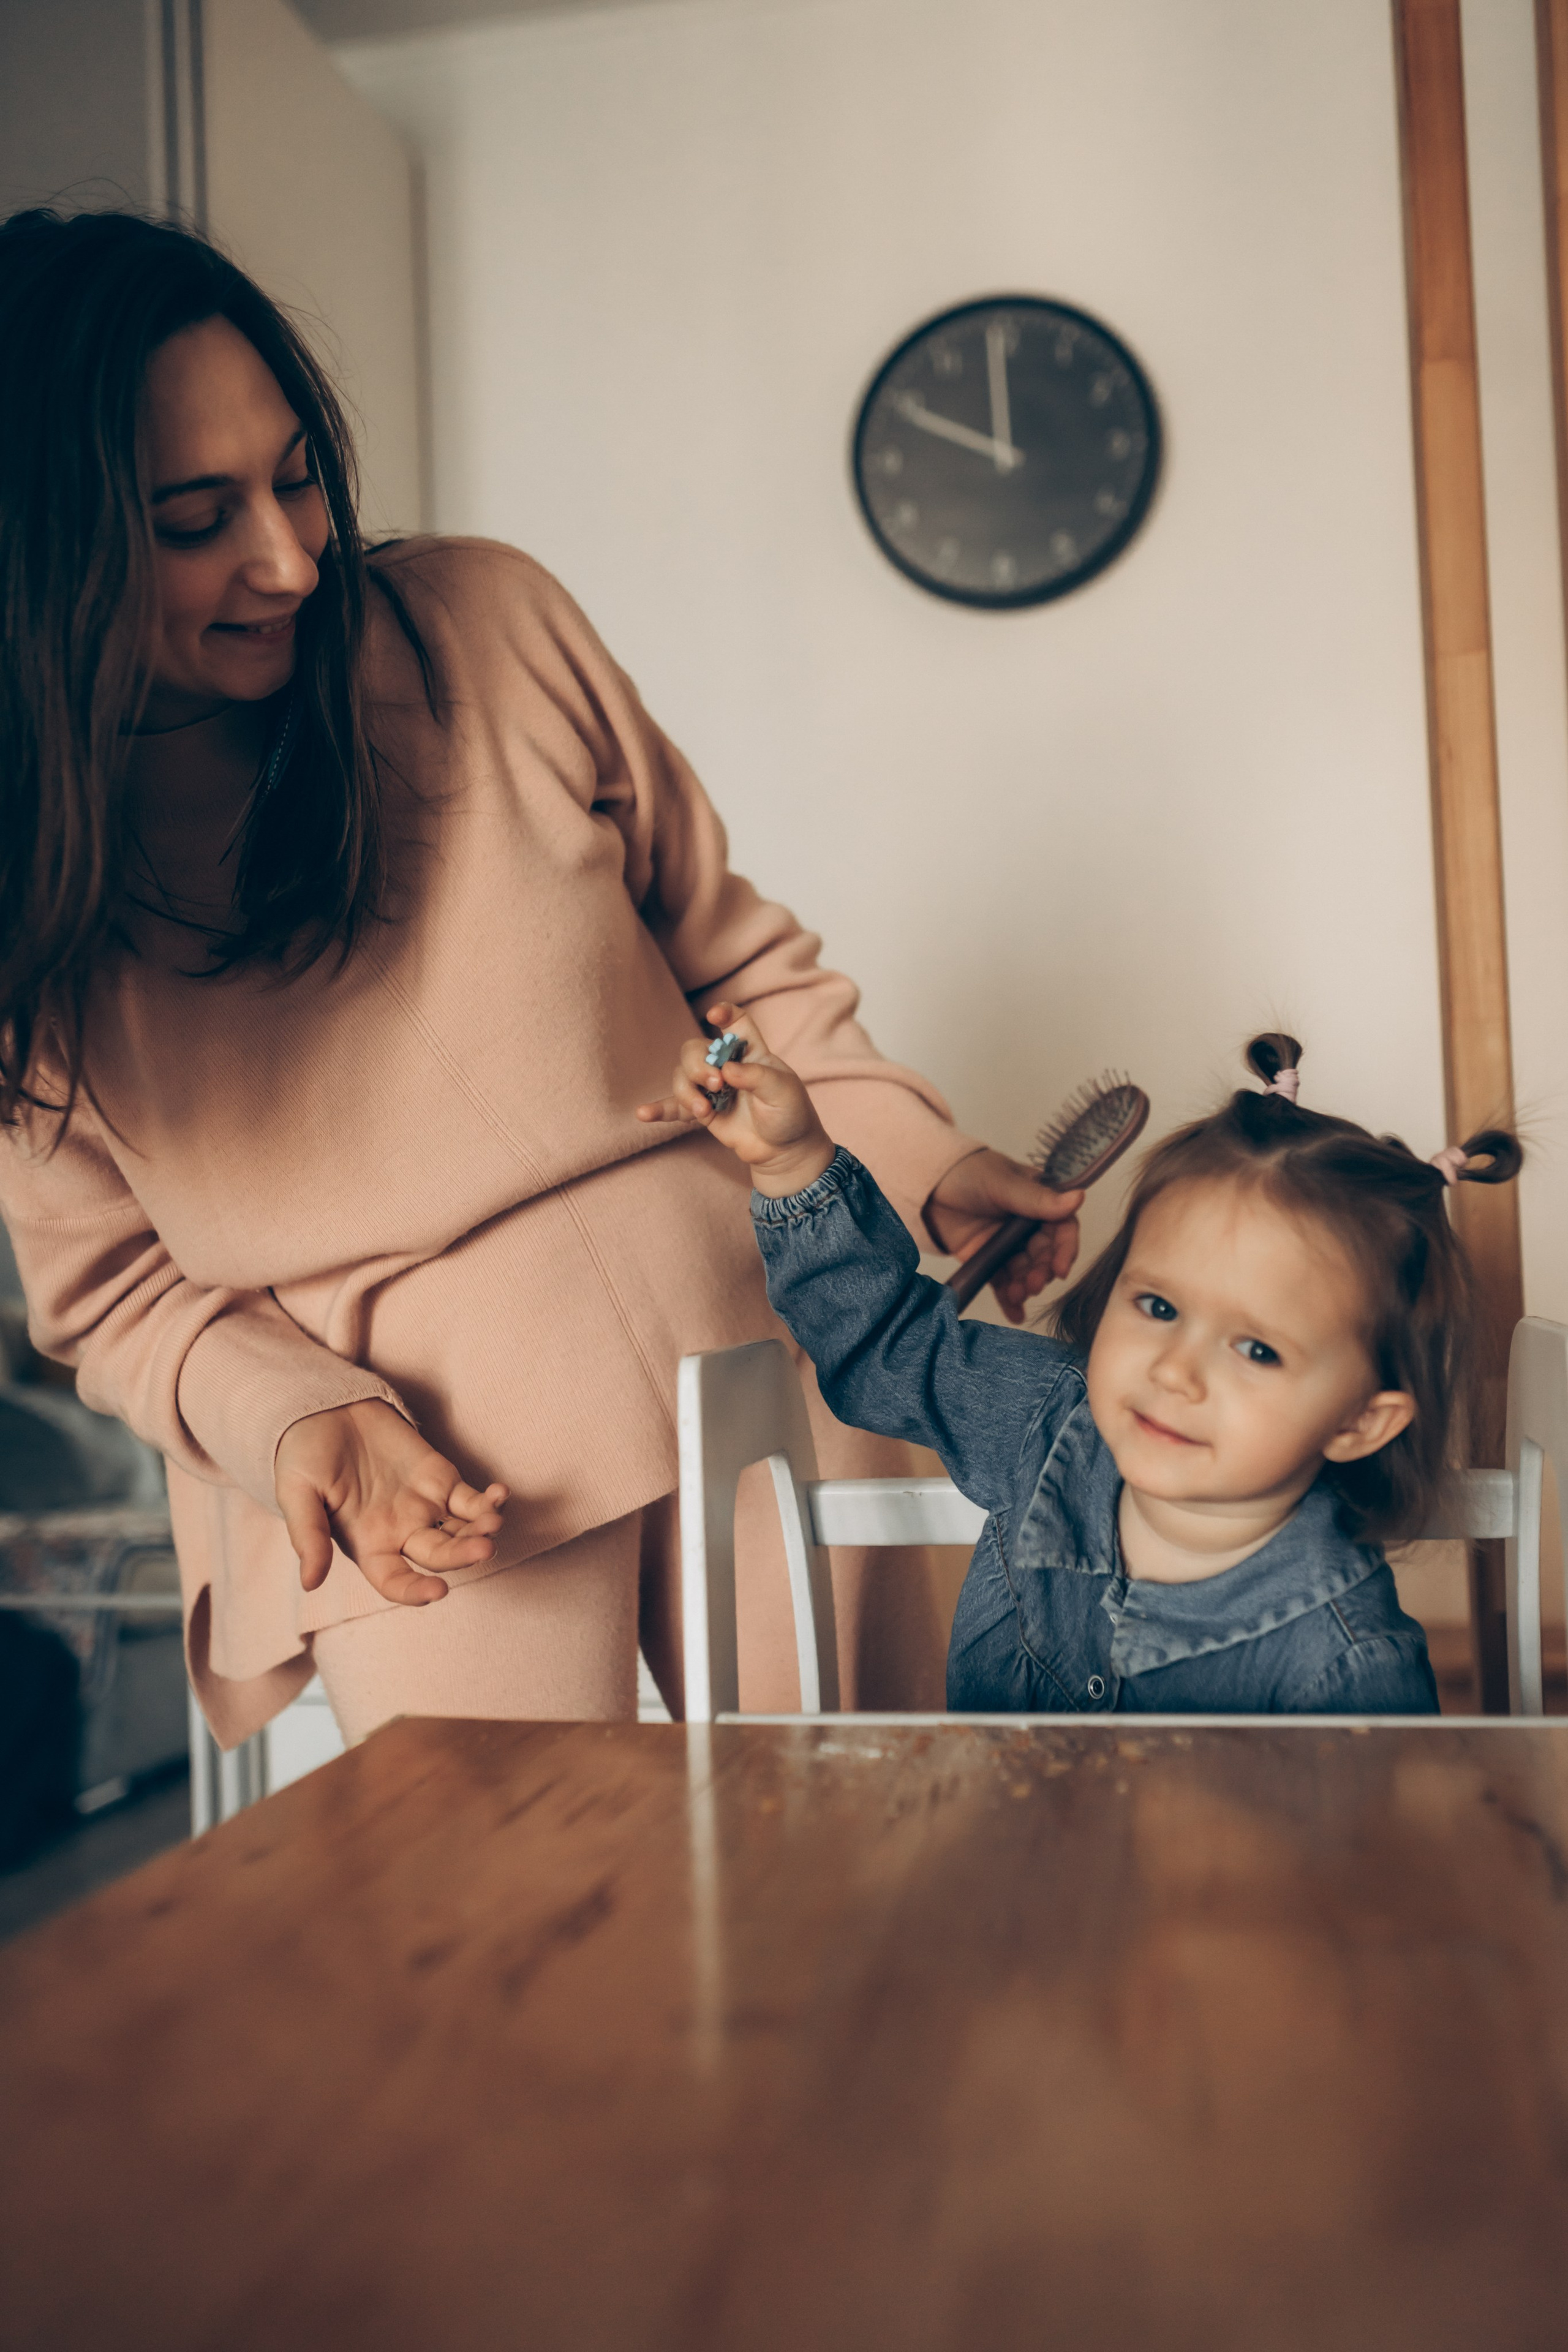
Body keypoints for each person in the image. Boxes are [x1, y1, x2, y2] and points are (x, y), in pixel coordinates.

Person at [0, 207, 1084, 1747]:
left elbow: (736, 963)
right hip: (427, 1459)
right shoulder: (28, 895)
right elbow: (109, 1292)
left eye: (299, 473)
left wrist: (921, 1161)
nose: (291, 558)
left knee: (865, 1874)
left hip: (760, 1326)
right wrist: (296, 1413)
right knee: (512, 1944)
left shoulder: (483, 623)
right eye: (194, 517)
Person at [641, 1017, 1525, 1713]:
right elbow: (884, 1345)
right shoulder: (1046, 1418)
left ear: (1359, 1420)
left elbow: (1360, 1916)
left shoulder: (1347, 1669)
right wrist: (796, 1165)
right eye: (1159, 1307)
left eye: (1256, 1349)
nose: (1176, 1370)